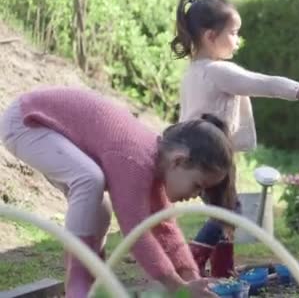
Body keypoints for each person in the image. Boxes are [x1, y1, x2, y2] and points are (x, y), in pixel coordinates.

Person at [0, 87, 235, 297]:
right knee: (90, 180)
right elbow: (137, 233)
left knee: (100, 209)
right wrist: (177, 286)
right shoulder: (134, 160)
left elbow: (164, 226)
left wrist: (191, 277)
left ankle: (94, 279)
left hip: (44, 127)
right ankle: (79, 284)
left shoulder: (155, 164)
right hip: (26, 122)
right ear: (178, 161)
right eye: (197, 185)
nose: (195, 196)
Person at [170, 0, 299, 278]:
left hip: (197, 154)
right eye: (234, 33)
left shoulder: (193, 72)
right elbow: (263, 83)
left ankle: (223, 271)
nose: (238, 40)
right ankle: (191, 262)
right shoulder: (218, 70)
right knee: (229, 212)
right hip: (211, 156)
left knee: (224, 212)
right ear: (211, 36)